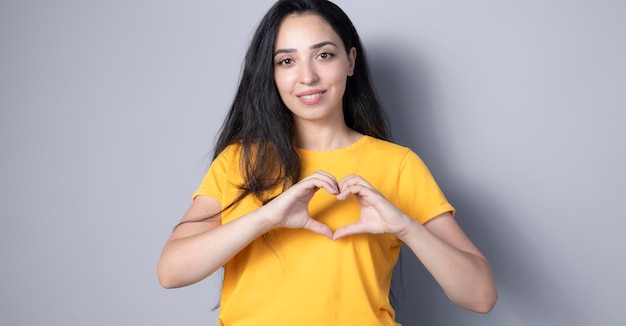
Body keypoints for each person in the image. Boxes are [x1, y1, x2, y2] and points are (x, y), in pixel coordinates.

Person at [157, 0, 497, 324]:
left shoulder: (398, 165)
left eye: (323, 55)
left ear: (350, 61)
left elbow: (481, 296)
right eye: (286, 61)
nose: (307, 76)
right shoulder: (239, 160)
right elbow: (170, 272)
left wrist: (406, 227)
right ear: (270, 73)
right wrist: (267, 217)